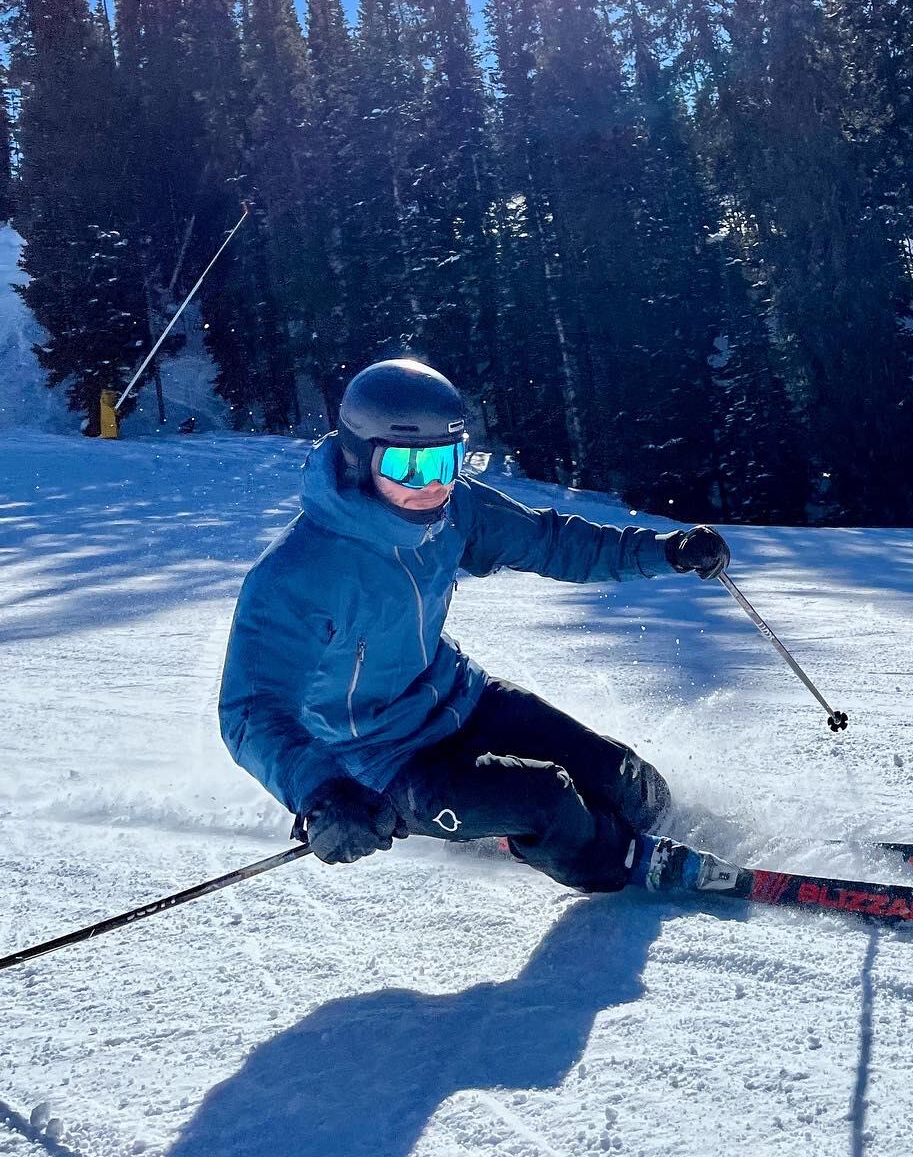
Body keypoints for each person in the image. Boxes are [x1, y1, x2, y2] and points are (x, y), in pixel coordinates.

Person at [219, 358, 730, 892]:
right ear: (358, 459)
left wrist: (664, 552)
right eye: (411, 467)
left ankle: (675, 834)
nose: (435, 485)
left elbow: (550, 542)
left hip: (462, 697)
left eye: (449, 460)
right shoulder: (296, 575)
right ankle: (627, 867)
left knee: (614, 772)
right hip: (383, 762)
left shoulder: (453, 510)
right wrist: (322, 791)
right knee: (547, 801)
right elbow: (250, 711)